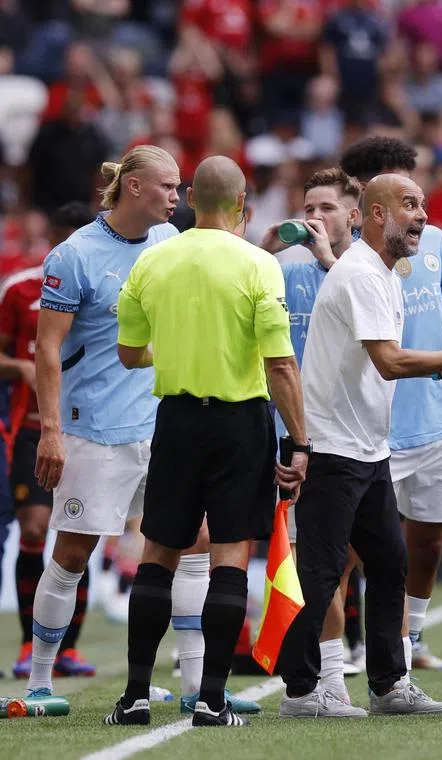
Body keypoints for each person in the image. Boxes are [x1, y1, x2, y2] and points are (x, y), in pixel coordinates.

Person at [277, 174, 442, 719]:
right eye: (410, 205)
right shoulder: (361, 275)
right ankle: (305, 691)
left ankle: (387, 684)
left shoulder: (380, 272)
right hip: (333, 447)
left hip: (368, 447)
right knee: (323, 570)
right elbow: (390, 360)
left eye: (422, 203)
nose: (422, 215)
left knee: (389, 559)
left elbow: (390, 361)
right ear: (376, 214)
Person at [102, 155, 309, 728]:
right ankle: (212, 701)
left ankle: (136, 696)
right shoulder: (258, 265)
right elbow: (281, 365)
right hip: (239, 423)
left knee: (157, 555)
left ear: (192, 197)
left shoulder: (153, 259)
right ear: (242, 202)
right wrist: (301, 441)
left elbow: (128, 353)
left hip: (175, 420)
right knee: (229, 556)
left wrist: (177, 345)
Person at [26, 146, 183, 706]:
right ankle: (41, 680)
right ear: (133, 187)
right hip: (92, 429)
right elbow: (46, 348)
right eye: (167, 186)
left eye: (181, 187)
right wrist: (49, 431)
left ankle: (186, 682)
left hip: (161, 425)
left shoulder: (170, 244)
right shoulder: (75, 255)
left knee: (181, 550)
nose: (176, 197)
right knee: (71, 555)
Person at [340, 137, 442, 673]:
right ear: (367, 195)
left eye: (416, 196)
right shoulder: (348, 258)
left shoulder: (436, 244)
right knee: (356, 548)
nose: (417, 210)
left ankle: (411, 641)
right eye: (402, 196)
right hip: (375, 422)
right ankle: (344, 645)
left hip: (437, 418)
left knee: (429, 543)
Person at [260, 166, 365, 704]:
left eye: (326, 208)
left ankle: (326, 673)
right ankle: (320, 683)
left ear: (354, 215)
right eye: (308, 210)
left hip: (357, 435)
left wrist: (330, 261)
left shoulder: (368, 272)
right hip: (298, 435)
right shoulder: (283, 271)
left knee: (354, 557)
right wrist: (263, 249)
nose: (314, 219)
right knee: (310, 562)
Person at [4, 203, 94, 680]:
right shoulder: (19, 291)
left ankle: (70, 649)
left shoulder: (101, 289)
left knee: (80, 534)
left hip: (86, 427)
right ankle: (27, 641)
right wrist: (20, 367)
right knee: (36, 529)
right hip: (34, 429)